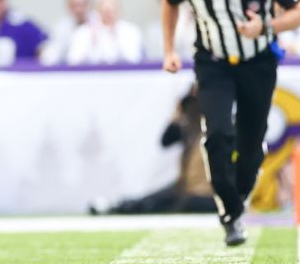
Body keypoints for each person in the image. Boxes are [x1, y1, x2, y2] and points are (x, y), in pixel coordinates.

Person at [161, 0, 300, 246]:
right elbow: (169, 1)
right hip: (213, 62)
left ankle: (237, 198)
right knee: (216, 134)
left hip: (256, 62)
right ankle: (229, 213)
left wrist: (266, 25)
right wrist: (169, 49)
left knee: (249, 145)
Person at [89, 84, 216, 215]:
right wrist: (177, 115)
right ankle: (117, 207)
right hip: (186, 188)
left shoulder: (218, 130)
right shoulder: (189, 130)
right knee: (152, 200)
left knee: (185, 203)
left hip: (207, 193)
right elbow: (166, 140)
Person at [65, 0, 144, 65]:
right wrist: (92, 41)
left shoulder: (131, 31)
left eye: (111, 11)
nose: (108, 15)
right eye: (105, 11)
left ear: (119, 11)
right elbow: (73, 61)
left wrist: (116, 36)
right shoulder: (83, 32)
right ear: (97, 12)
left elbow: (134, 59)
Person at [40, 0, 95, 65]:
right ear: (68, 6)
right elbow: (51, 54)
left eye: (81, 5)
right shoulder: (62, 27)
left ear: (88, 4)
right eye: (74, 5)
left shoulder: (99, 23)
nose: (78, 10)